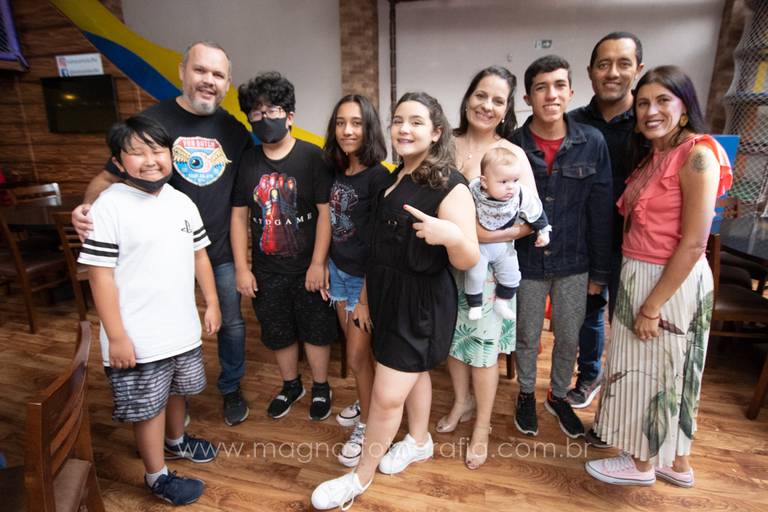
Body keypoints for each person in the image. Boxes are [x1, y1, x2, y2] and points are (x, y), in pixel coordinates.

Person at [311, 91, 479, 509]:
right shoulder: (393, 178)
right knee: (415, 375)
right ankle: (419, 440)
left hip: (421, 305)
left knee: (387, 397)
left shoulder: (449, 185)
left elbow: (469, 257)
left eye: (416, 122)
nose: (404, 128)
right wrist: (365, 300)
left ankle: (358, 478)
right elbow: (378, 251)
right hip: (386, 295)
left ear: (436, 132)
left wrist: (452, 237)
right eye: (399, 120)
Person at [71, 41, 252, 427]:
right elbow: (106, 179)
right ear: (182, 72)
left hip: (216, 249)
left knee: (231, 323)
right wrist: (86, 209)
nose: (208, 80)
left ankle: (230, 386)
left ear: (227, 83)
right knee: (163, 324)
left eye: (218, 75)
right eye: (200, 70)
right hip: (161, 255)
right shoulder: (152, 122)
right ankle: (169, 405)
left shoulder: (235, 131)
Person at [585, 66, 732, 488]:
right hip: (645, 273)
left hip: (667, 280)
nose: (651, 111)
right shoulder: (657, 154)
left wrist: (652, 306)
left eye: (663, 101)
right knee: (666, 370)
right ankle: (676, 462)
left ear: (685, 107)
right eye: (644, 103)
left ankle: (641, 464)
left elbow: (694, 242)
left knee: (653, 373)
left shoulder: (698, 155)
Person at [79, 116, 221, 505]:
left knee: (177, 392)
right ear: (118, 161)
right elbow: (99, 277)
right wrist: (117, 337)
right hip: (137, 336)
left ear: (170, 155)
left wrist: (211, 302)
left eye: (157, 150)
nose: (150, 160)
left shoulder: (181, 201)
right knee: (149, 407)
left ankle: (176, 441)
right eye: (137, 152)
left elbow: (200, 256)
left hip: (180, 328)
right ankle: (156, 476)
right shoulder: (109, 206)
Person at [510, 55, 612, 440]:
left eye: (558, 86)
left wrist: (599, 273)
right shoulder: (513, 145)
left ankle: (557, 395)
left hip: (575, 262)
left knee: (569, 336)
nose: (550, 94)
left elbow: (600, 211)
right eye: (541, 87)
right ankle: (525, 394)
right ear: (527, 97)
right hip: (525, 262)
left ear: (571, 92)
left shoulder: (592, 142)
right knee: (526, 335)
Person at [442, 66, 538, 471]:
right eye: (481, 95)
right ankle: (461, 402)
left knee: (482, 351)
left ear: (506, 109)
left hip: (491, 273)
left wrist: (485, 236)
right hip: (445, 266)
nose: (487, 105)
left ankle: (482, 426)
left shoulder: (511, 154)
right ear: (468, 98)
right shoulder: (444, 143)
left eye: (498, 100)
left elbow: (531, 217)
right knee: (452, 341)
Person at [231, 72, 337, 422]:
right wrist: (243, 268)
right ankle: (291, 385)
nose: (265, 118)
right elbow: (239, 217)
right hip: (266, 270)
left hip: (308, 268)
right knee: (278, 332)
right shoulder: (248, 161)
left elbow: (325, 214)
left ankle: (320, 386)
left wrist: (318, 263)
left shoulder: (313, 157)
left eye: (272, 110)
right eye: (257, 113)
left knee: (317, 331)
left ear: (290, 116)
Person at [567, 32, 645, 412]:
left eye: (623, 64)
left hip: (638, 245)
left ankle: (625, 397)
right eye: (604, 64)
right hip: (586, 241)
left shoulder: (648, 123)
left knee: (630, 324)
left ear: (638, 70)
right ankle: (589, 375)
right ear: (590, 72)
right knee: (590, 314)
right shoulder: (573, 123)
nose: (612, 72)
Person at [322, 94, 393, 466]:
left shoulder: (379, 176)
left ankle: (368, 426)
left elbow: (380, 245)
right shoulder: (339, 169)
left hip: (364, 281)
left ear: (369, 128)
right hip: (339, 272)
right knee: (358, 360)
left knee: (355, 356)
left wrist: (364, 298)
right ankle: (367, 402)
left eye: (356, 123)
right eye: (340, 122)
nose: (347, 130)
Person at [465, 147, 550, 321]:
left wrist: (543, 232)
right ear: (484, 182)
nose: (511, 187)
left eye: (515, 180)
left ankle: (502, 303)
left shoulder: (520, 195)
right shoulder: (473, 191)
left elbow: (536, 212)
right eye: (503, 182)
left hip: (504, 246)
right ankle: (475, 305)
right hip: (478, 245)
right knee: (475, 274)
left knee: (512, 275)